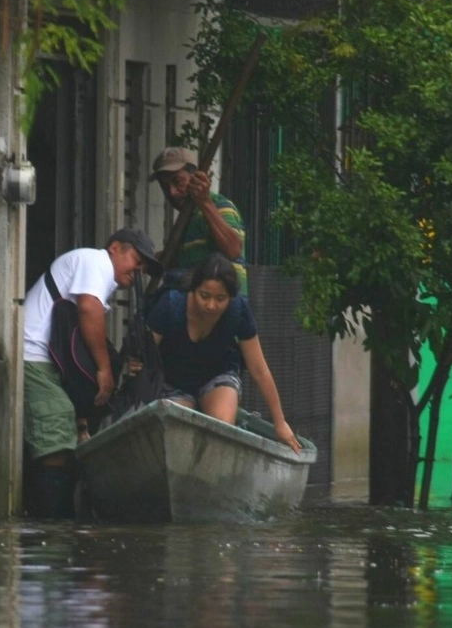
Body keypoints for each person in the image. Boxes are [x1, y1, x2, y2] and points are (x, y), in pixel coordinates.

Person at [21, 228, 163, 517]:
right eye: (137, 259)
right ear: (114, 248)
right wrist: (104, 369)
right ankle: (53, 525)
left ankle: (56, 524)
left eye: (145, 268)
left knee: (71, 431)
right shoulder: (94, 262)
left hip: (47, 359)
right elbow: (87, 309)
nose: (139, 270)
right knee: (58, 423)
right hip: (32, 354)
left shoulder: (97, 275)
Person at [146, 252, 301, 452]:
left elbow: (258, 369)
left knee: (220, 431)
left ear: (231, 297)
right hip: (173, 380)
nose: (211, 306)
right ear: (193, 289)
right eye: (204, 296)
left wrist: (280, 422)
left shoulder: (238, 311)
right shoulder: (170, 305)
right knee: (176, 432)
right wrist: (137, 364)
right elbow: (145, 354)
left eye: (220, 299)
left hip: (218, 375)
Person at [152, 146, 248, 296]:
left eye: (178, 182)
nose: (172, 192)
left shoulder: (220, 206)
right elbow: (181, 261)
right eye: (165, 187)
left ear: (195, 177)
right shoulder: (186, 221)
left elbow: (233, 249)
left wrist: (205, 202)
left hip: (225, 307)